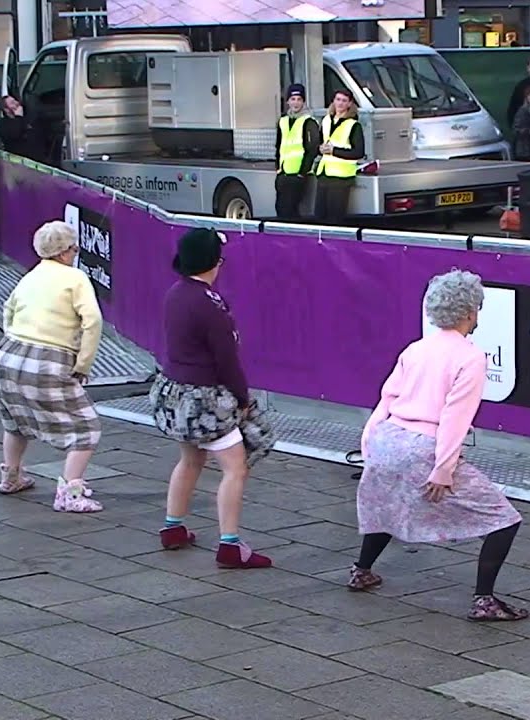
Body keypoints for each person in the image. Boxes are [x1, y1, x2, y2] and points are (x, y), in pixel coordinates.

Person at [349, 270, 526, 620]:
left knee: (388, 506)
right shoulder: (470, 357)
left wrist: (369, 445)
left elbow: (387, 398)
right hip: (423, 446)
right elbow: (454, 418)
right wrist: (443, 469)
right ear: (470, 311)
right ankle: (484, 600)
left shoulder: (415, 349)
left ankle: (361, 570)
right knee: (503, 519)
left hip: (387, 439)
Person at [149, 228, 276, 570]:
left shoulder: (174, 294)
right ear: (213, 263)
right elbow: (227, 361)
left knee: (190, 459)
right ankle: (231, 545)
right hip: (206, 400)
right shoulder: (211, 305)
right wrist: (243, 397)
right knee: (235, 468)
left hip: (176, 394)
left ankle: (173, 527)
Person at [0, 221, 104, 513]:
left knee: (15, 419)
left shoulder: (31, 275)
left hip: (7, 355)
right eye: (74, 248)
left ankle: (11, 476)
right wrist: (83, 364)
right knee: (85, 427)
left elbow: (8, 310)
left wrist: (15, 340)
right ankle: (70, 492)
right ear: (66, 251)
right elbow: (93, 321)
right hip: (48, 360)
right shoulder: (75, 278)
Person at [314, 89, 365, 224]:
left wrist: (334, 151)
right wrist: (320, 149)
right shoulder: (326, 120)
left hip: (341, 177)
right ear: (333, 101)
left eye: (344, 101)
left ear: (349, 104)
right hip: (324, 174)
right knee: (319, 216)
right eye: (338, 99)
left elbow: (358, 152)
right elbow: (319, 143)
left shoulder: (354, 125)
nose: (340, 103)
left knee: (335, 218)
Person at [274, 84, 320, 220]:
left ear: (303, 102)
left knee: (291, 211)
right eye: (293, 99)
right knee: (280, 209)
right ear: (288, 101)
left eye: (299, 99)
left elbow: (312, 148)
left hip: (298, 175)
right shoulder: (283, 121)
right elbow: (279, 146)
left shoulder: (309, 121)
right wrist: (278, 168)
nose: (296, 102)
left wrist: (302, 172)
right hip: (283, 174)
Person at [0, 96, 44, 162]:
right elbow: (15, 133)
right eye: (12, 103)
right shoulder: (3, 124)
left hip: (38, 160)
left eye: (15, 100)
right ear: (6, 109)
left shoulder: (29, 117)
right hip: (19, 162)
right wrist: (18, 117)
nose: (16, 103)